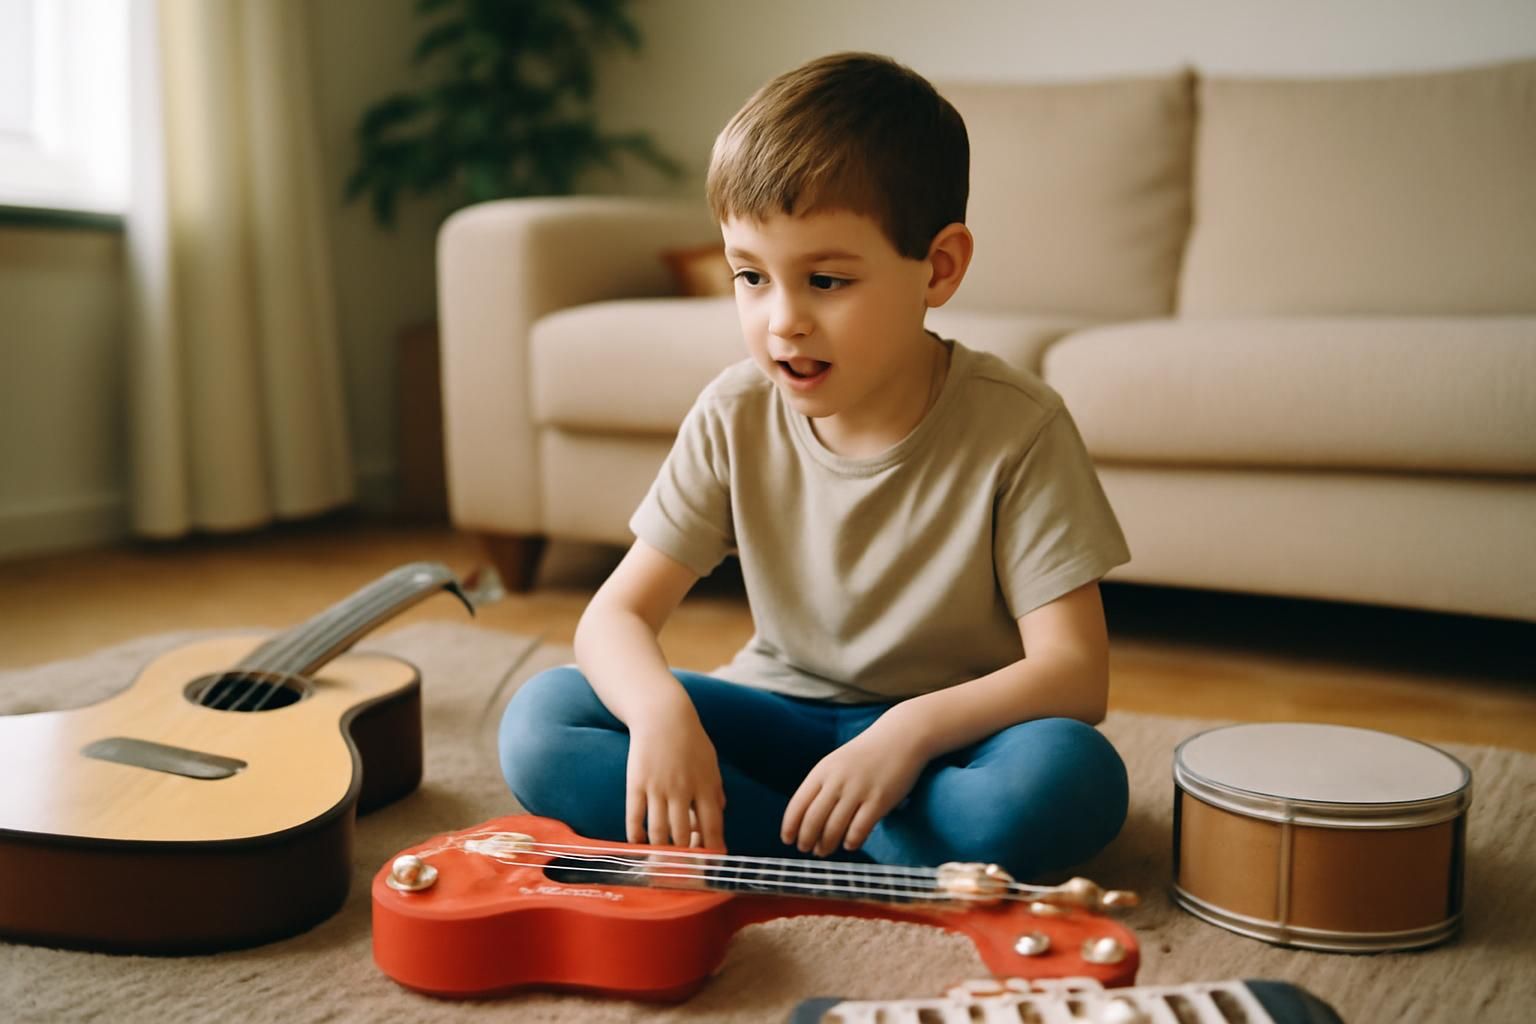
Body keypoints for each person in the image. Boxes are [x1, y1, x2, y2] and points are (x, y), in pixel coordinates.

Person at [499, 51, 1131, 879]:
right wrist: (659, 715)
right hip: (778, 712)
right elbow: (612, 617)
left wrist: (907, 732)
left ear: (938, 267)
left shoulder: (1019, 425)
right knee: (544, 721)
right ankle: (874, 854)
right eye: (751, 277)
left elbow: (1075, 674)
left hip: (945, 742)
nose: (782, 321)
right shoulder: (734, 412)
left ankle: (768, 842)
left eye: (825, 280)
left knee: (1070, 777)